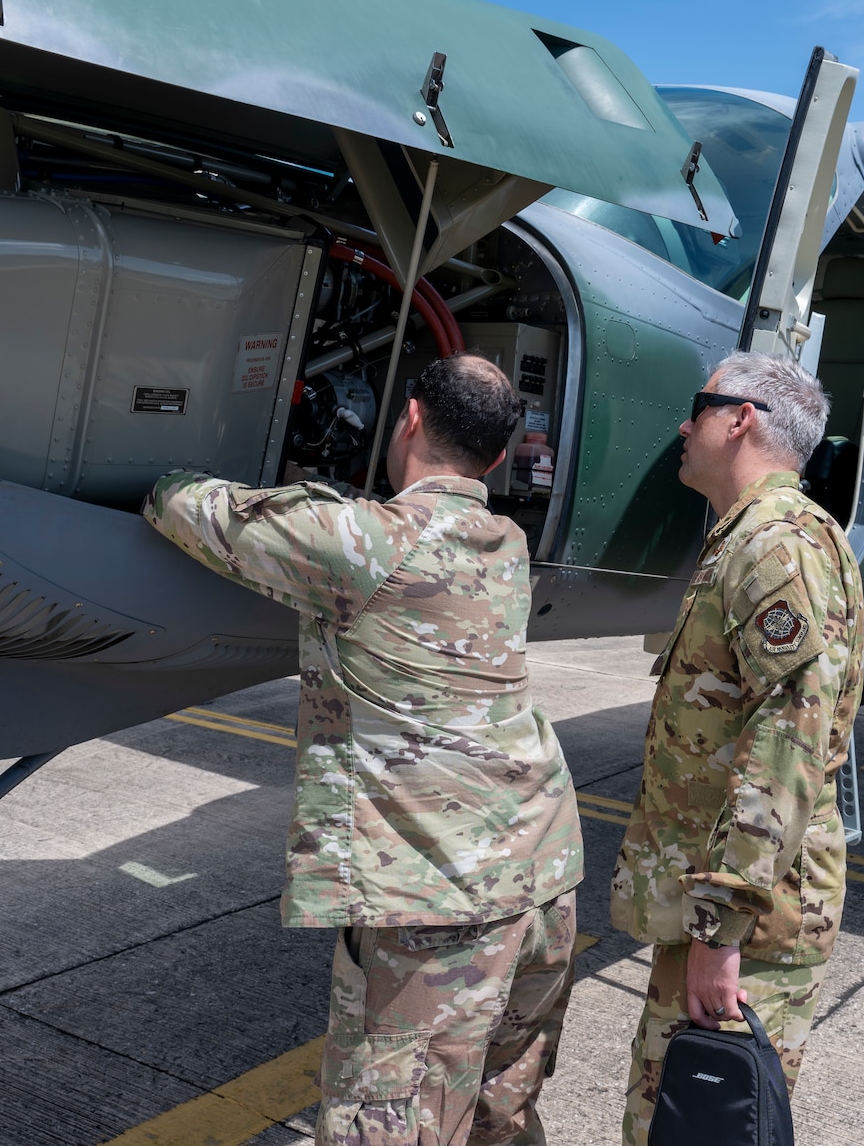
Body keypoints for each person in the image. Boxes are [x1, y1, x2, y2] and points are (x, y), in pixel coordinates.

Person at [144, 353, 583, 1146]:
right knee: (496, 1121)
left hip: (443, 905)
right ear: (491, 457)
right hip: (544, 881)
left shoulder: (369, 541)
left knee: (388, 1127)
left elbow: (188, 507)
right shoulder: (506, 542)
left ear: (410, 419)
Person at [611, 352, 863, 1146]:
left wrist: (722, 930)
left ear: (742, 418)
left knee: (697, 1125)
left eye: (700, 406)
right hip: (724, 915)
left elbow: (785, 747)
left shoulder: (774, 548)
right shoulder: (754, 537)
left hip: (747, 929)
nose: (685, 426)